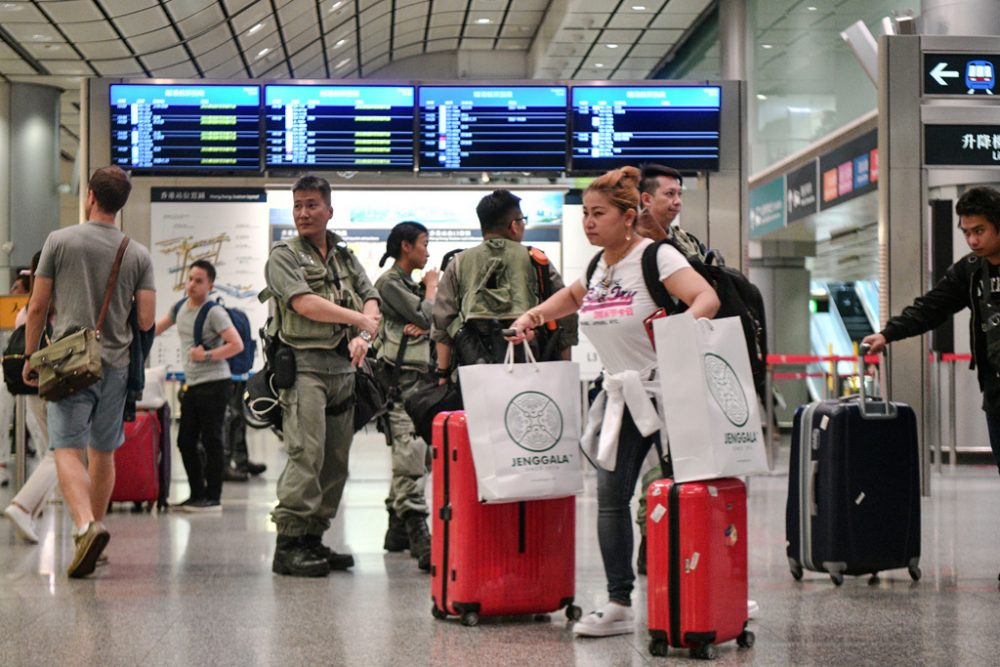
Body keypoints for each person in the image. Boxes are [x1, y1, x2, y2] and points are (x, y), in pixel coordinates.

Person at [507, 166, 719, 637]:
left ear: (628, 216)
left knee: (692, 497)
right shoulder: (598, 267)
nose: (588, 222)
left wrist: (678, 335)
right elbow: (570, 298)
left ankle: (713, 588)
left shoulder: (657, 257)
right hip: (623, 396)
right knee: (611, 496)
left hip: (671, 393)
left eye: (598, 214)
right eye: (585, 213)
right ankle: (620, 602)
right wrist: (534, 315)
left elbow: (706, 298)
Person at [22, 166, 156, 578]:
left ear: (89, 197)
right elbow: (147, 320)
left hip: (68, 364)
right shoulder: (137, 252)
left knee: (65, 447)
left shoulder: (59, 241)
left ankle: (86, 526)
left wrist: (30, 356)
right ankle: (93, 540)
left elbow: (39, 308)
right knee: (103, 451)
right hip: (116, 364)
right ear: (120, 204)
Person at [262, 174, 380, 577]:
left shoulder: (344, 256)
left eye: (312, 205)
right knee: (306, 454)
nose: (303, 213)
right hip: (305, 367)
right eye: (297, 205)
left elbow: (371, 296)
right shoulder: (284, 255)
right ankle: (288, 543)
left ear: (329, 210)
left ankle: (313, 538)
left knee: (335, 461)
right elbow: (305, 303)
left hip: (343, 371)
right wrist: (358, 320)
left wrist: (364, 333)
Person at [864, 186, 1000, 480]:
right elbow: (931, 307)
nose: (973, 240)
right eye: (966, 232)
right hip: (997, 394)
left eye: (980, 230)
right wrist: (888, 333)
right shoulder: (971, 270)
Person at [632, 162, 707, 574]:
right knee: (651, 463)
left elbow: (707, 290)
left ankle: (676, 532)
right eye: (669, 195)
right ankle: (651, 536)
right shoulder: (628, 247)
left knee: (683, 459)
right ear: (645, 199)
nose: (676, 202)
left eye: (679, 195)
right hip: (644, 371)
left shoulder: (683, 243)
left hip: (683, 365)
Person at [431, 188, 578, 376]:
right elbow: (565, 316)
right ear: (514, 225)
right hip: (530, 364)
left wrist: (442, 372)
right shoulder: (536, 260)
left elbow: (443, 321)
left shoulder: (458, 262)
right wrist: (564, 364)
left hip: (474, 366)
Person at [154, 260, 244, 512]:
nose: (191, 284)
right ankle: (197, 494)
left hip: (215, 383)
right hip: (193, 383)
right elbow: (155, 329)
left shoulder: (214, 312)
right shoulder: (180, 307)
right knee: (185, 440)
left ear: (210, 285)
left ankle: (212, 497)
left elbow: (236, 345)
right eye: (190, 279)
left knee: (212, 440)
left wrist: (205, 356)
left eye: (198, 280)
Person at [374, 221, 438, 572]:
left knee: (412, 452)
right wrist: (430, 291)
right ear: (405, 246)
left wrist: (426, 317)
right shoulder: (389, 284)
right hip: (400, 384)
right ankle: (416, 528)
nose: (427, 252)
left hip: (419, 383)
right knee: (411, 452)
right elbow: (428, 315)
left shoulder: (406, 286)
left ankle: (395, 531)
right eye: (423, 244)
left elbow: (434, 319)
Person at [4, 252, 57, 544]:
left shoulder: (28, 307)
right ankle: (24, 506)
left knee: (56, 445)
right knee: (63, 447)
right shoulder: (52, 300)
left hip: (34, 383)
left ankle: (29, 509)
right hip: (56, 379)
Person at [635, 163, 707, 260]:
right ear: (647, 199)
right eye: (670, 194)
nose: (678, 201)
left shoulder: (686, 240)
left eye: (679, 194)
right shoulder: (628, 242)